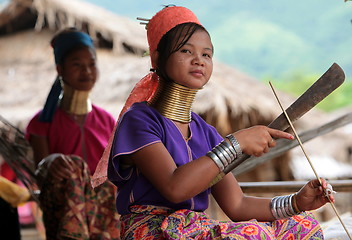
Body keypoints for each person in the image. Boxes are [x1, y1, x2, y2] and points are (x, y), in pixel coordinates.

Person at [93, 6, 334, 239]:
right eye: (186, 51)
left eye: (206, 54)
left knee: (303, 226)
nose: (199, 60)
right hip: (151, 230)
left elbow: (237, 205)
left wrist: (296, 202)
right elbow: (174, 187)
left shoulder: (205, 132)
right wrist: (235, 143)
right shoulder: (139, 120)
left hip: (196, 229)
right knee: (253, 235)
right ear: (157, 57)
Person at [26, 28, 120, 240]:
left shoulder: (107, 120)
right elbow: (40, 173)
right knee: (74, 166)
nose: (86, 71)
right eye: (77, 64)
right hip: (64, 207)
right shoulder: (41, 123)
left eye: (92, 64)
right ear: (60, 69)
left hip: (105, 209)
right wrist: (51, 161)